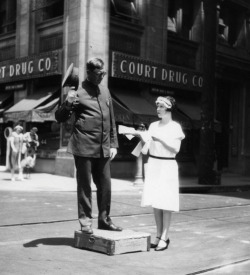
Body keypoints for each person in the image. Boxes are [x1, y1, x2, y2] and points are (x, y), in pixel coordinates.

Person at [55, 57, 122, 233]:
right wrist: (68, 102)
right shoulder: (77, 92)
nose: (102, 76)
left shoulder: (105, 91)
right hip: (83, 147)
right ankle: (85, 222)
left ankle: (104, 220)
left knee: (106, 186)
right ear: (89, 73)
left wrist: (113, 144)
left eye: (104, 73)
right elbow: (60, 117)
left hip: (104, 147)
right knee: (85, 186)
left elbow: (111, 119)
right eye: (100, 73)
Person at [127, 96, 185, 251]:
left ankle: (165, 237)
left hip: (167, 165)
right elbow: (145, 147)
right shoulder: (152, 125)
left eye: (160, 106)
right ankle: (158, 235)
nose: (158, 109)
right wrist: (141, 138)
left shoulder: (175, 127)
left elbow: (176, 149)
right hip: (153, 164)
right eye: (157, 106)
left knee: (166, 202)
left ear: (169, 108)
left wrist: (160, 139)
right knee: (156, 202)